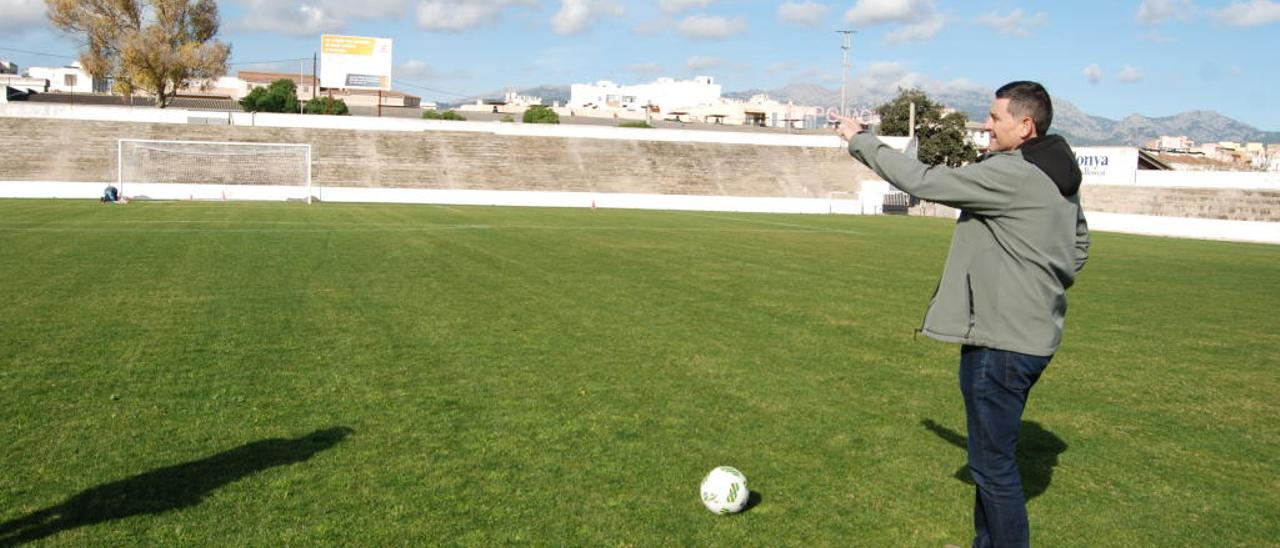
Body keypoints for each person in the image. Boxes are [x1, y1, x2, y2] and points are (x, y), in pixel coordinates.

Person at [836, 81, 1089, 548]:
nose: (986, 126)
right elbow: (1079, 247)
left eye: (995, 119)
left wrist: (862, 140)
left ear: (1025, 125)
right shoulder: (1058, 175)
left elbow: (924, 181)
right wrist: (1042, 283)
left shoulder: (1014, 174)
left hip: (1001, 342)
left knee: (994, 469)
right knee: (990, 462)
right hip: (1032, 337)